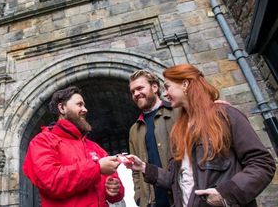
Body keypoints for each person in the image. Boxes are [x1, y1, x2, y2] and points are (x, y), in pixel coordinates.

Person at [126, 64, 276, 207]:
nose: (165, 93)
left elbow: (262, 163)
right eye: (132, 91)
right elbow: (179, 178)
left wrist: (226, 195)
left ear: (185, 85)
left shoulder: (224, 115)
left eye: (167, 87)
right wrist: (144, 168)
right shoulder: (179, 129)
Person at [23, 86, 124, 207]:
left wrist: (115, 189)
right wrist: (96, 168)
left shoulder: (95, 147)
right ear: (62, 108)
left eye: (84, 105)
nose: (85, 109)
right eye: (79, 104)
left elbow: (114, 188)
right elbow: (52, 182)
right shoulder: (42, 142)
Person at [128, 70, 178, 207]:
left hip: (182, 197)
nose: (136, 94)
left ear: (154, 88)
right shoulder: (134, 130)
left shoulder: (177, 112)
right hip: (153, 203)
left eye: (139, 88)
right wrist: (139, 197)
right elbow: (135, 171)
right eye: (133, 91)